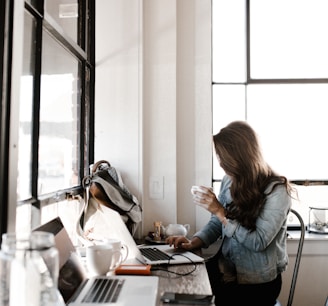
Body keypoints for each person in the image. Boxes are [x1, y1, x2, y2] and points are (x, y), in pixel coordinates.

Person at [166, 121, 294, 306]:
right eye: (219, 157)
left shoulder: (277, 191)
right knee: (177, 287)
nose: (221, 163)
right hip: (225, 269)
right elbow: (217, 223)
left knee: (189, 297)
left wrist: (220, 211)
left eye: (223, 158)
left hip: (257, 283)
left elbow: (257, 242)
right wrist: (194, 241)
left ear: (241, 157)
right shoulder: (229, 181)